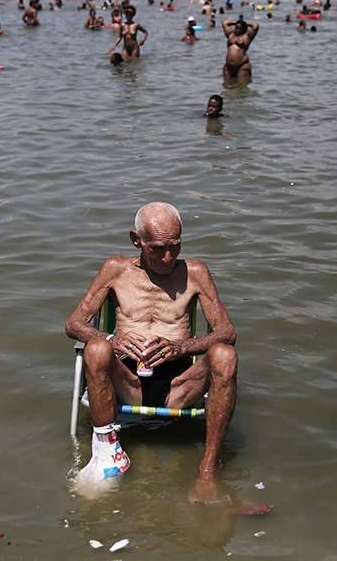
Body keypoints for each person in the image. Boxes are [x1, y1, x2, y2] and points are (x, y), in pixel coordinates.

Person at [64, 202, 238, 499]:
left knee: (226, 354)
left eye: (176, 246)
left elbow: (227, 332)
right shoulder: (116, 269)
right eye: (158, 248)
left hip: (178, 386)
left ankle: (207, 471)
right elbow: (74, 323)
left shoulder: (195, 273)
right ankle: (107, 456)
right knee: (96, 348)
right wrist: (111, 339)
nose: (168, 257)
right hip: (127, 381)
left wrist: (183, 346)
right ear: (136, 240)